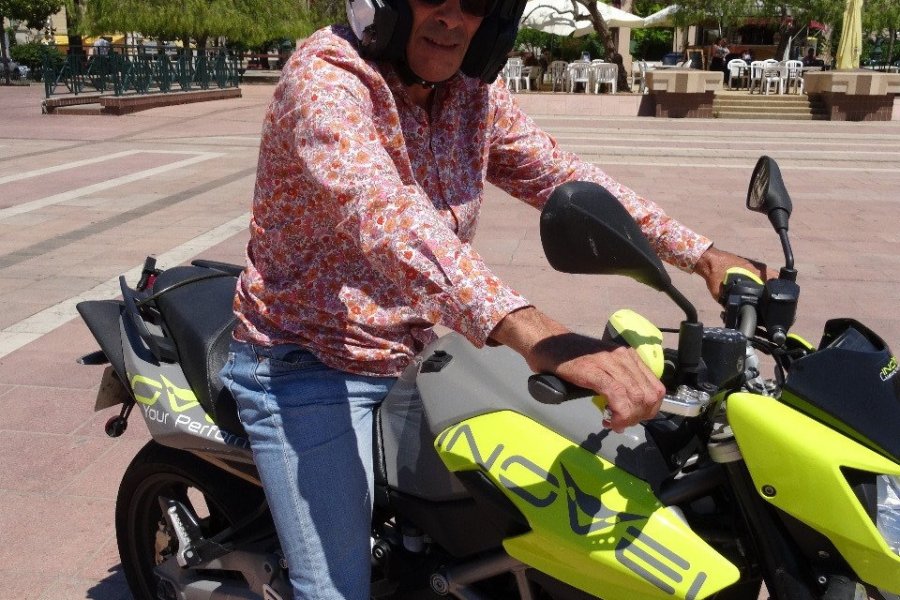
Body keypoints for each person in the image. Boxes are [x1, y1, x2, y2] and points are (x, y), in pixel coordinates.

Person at [219, 0, 776, 598]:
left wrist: (703, 255)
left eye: (477, 3)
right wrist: (541, 336)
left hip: (416, 349)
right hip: (310, 360)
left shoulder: (470, 95)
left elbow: (564, 177)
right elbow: (387, 218)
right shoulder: (325, 78)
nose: (453, 19)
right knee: (337, 590)